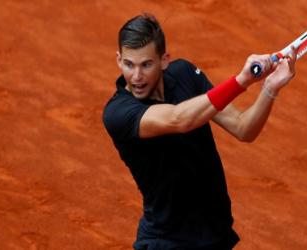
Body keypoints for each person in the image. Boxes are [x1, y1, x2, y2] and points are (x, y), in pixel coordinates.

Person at [102, 13, 296, 250]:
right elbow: (179, 119)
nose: (136, 76)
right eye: (129, 64)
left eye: (146, 64)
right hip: (167, 241)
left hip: (213, 231)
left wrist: (269, 89)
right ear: (119, 60)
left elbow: (243, 128)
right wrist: (242, 81)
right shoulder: (118, 113)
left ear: (164, 60)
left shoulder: (183, 73)